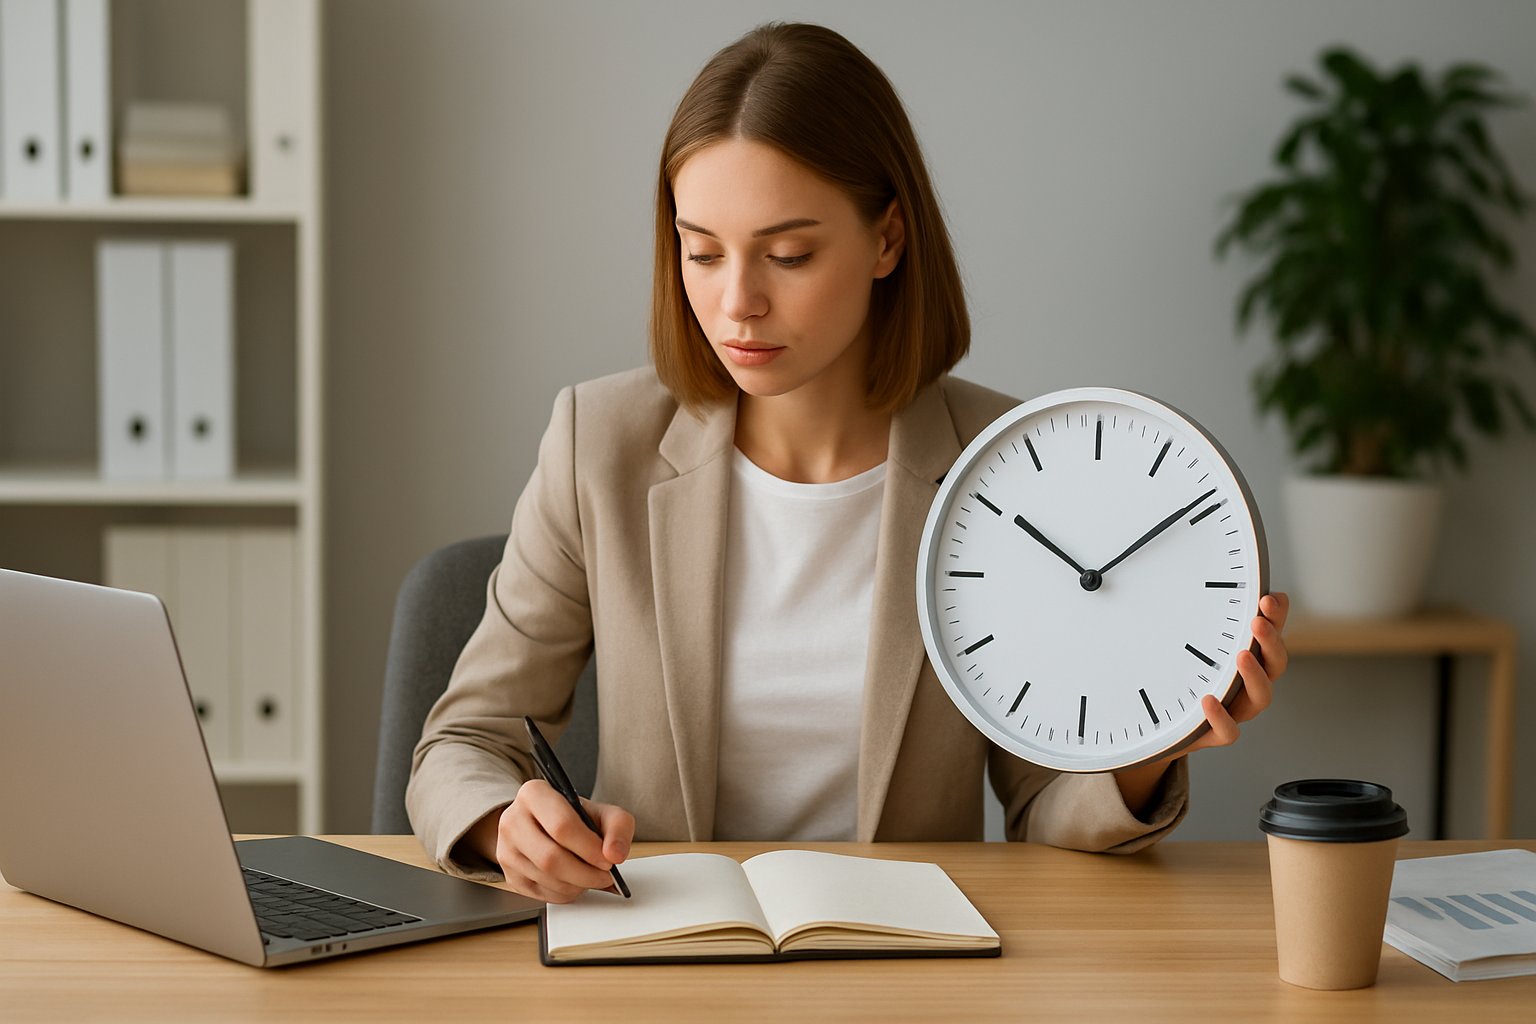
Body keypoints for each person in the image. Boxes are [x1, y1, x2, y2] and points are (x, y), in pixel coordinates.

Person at [406, 22, 1290, 903]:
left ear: (887, 241)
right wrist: (502, 822)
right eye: (701, 250)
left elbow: (1041, 804)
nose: (736, 302)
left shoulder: (1008, 472)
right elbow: (465, 740)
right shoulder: (598, 443)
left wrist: (1150, 750)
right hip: (662, 958)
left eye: (788, 254)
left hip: (907, 969)